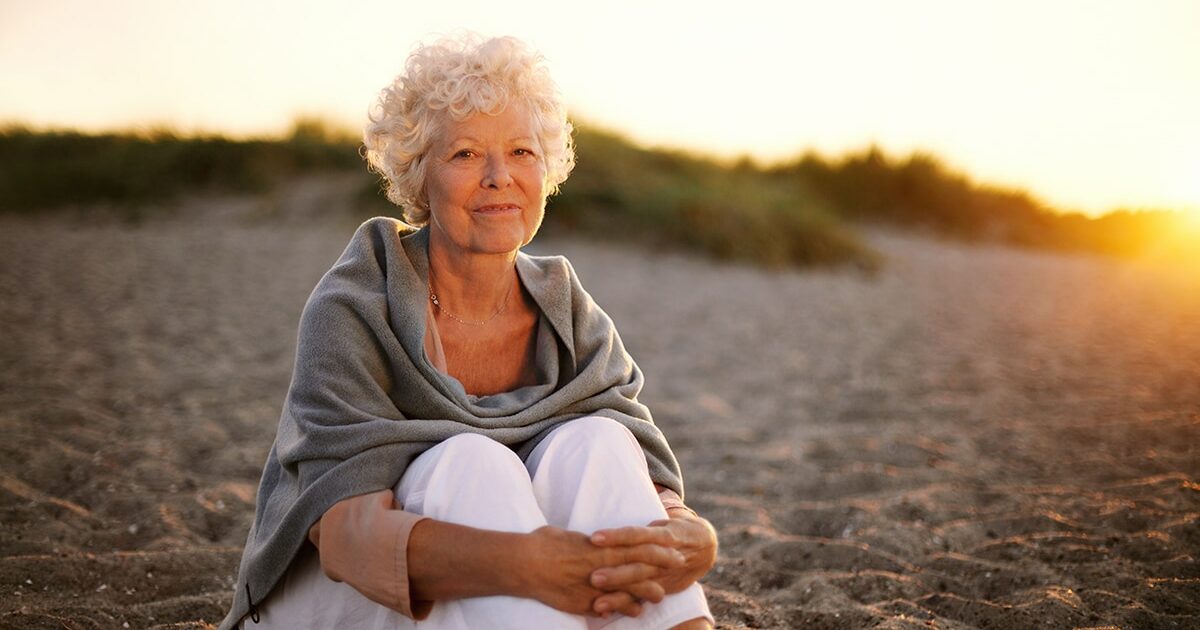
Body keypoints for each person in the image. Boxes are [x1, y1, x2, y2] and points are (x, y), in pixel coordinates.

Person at [219, 34, 716, 630]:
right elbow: (345, 535)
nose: (499, 177)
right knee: (470, 461)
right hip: (337, 596)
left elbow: (650, 483)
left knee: (601, 443)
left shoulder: (566, 309)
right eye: (465, 155)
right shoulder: (355, 306)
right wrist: (525, 564)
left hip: (504, 597)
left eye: (522, 152)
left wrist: (690, 539)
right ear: (418, 175)